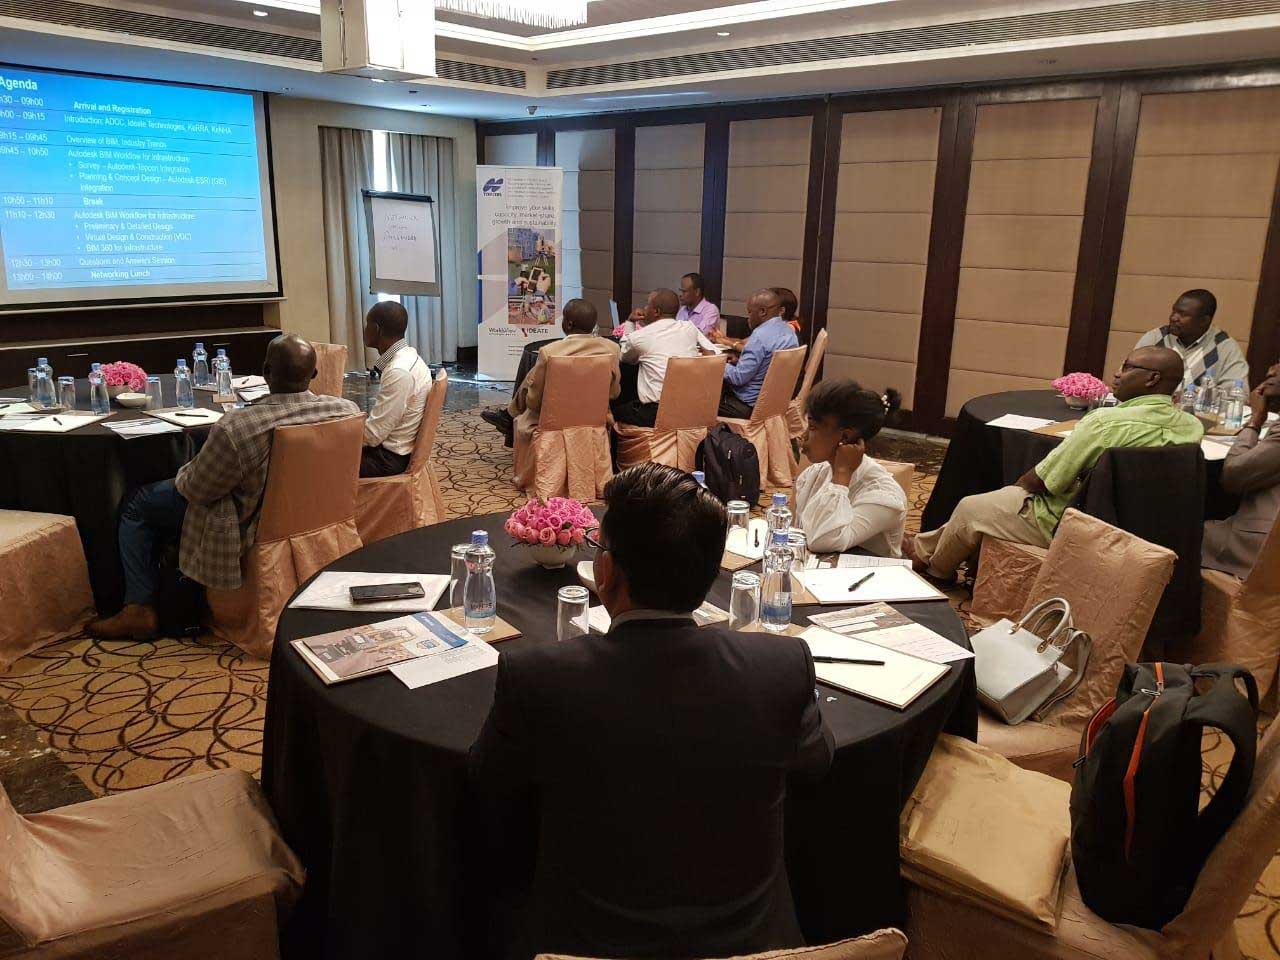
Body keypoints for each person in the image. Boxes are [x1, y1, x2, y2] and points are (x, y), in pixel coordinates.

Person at [469, 463, 832, 960]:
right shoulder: (781, 667)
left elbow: (489, 783)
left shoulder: (537, 678)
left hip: (583, 945)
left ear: (605, 572)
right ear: (710, 573)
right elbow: (816, 763)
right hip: (748, 943)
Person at [87, 334, 359, 639]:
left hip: (247, 522)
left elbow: (197, 490)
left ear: (266, 372)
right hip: (313, 517)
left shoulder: (239, 426)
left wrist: (184, 468)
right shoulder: (346, 412)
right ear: (315, 374)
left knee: (137, 503)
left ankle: (138, 608)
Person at [906, 346, 1203, 581]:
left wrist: (1019, 488)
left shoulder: (1105, 422)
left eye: (1126, 367)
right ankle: (924, 549)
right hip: (1144, 529)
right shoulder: (1191, 427)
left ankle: (936, 571)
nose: (1116, 373)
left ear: (1152, 379)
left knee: (972, 507)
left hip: (1075, 523)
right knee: (995, 503)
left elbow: (1044, 481)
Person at [481, 299, 621, 444]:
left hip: (554, 421)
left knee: (532, 380)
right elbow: (614, 393)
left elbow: (534, 401)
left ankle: (509, 416)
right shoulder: (612, 349)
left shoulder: (550, 352)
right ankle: (508, 416)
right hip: (594, 418)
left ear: (568, 324)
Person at [796, 380, 907, 557]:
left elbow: (821, 540)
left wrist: (842, 475)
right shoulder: (814, 474)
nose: (803, 436)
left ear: (845, 437)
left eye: (812, 427)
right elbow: (799, 537)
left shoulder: (884, 496)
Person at [1203, 363, 1280, 578]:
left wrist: (1255, 421)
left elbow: (1233, 476)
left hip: (1262, 546)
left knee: (1174, 532)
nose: (1271, 371)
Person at [613, 287, 715, 427]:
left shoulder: (641, 336)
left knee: (613, 411)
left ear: (656, 311)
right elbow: (713, 352)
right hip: (688, 409)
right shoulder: (689, 327)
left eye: (648, 305)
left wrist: (630, 322)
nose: (644, 308)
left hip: (655, 414)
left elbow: (625, 356)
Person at [360, 301, 431, 478]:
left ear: (376, 329)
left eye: (367, 324)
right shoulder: (410, 357)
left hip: (388, 459)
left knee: (319, 459)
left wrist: (336, 436)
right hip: (394, 450)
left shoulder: (399, 371)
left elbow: (373, 435)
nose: (364, 329)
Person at [1135, 289, 1250, 390]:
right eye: (1174, 311)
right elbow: (1129, 376)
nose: (1173, 318)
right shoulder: (1156, 337)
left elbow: (1237, 391)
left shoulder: (1224, 347)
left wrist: (1195, 394)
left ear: (1204, 321)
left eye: (1183, 314)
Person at [715, 287, 798, 419]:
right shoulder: (788, 331)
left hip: (746, 404)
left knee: (697, 396)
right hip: (772, 404)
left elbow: (738, 378)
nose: (748, 318)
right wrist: (739, 361)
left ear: (762, 311)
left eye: (749, 312)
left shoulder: (759, 336)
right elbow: (767, 364)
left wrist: (716, 361)